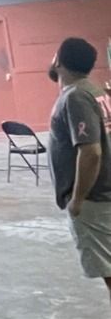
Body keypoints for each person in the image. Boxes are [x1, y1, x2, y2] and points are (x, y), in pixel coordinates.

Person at [49, 37, 111, 302]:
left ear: (58, 61)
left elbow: (91, 152)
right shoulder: (95, 92)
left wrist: (77, 199)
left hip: (94, 199)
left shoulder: (76, 97)